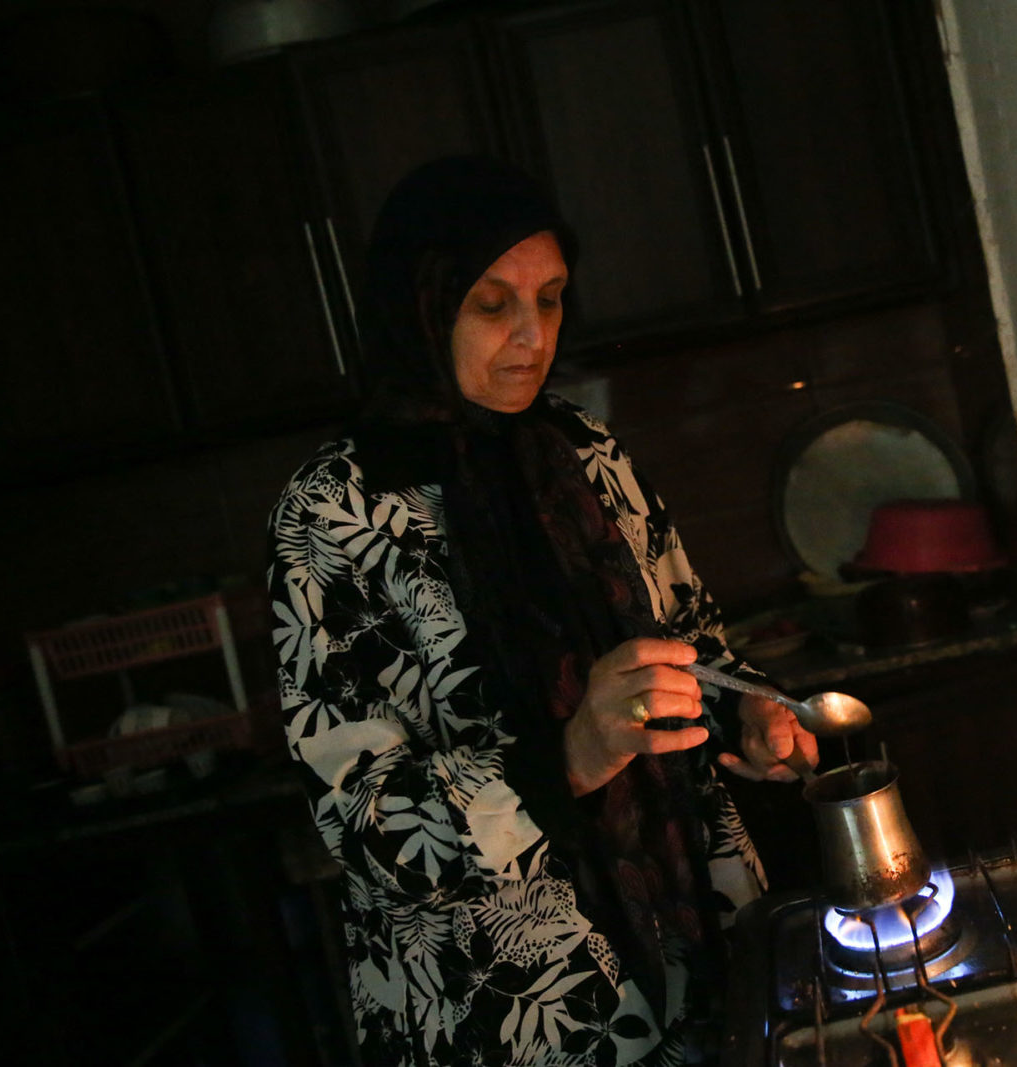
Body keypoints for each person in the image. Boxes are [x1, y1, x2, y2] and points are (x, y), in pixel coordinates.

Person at [266, 155, 818, 1066]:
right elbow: (359, 820)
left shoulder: (587, 452)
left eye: (552, 299)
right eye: (493, 305)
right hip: (505, 1007)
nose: (533, 335)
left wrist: (748, 712)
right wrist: (569, 757)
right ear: (421, 308)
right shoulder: (336, 511)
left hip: (697, 958)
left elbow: (694, 644)